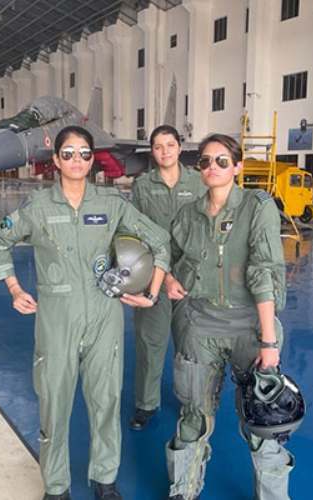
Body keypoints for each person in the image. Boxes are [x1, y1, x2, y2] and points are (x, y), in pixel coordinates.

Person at [0, 126, 170, 500]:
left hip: (105, 318)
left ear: (92, 159)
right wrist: (14, 288)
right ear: (55, 160)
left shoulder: (111, 204)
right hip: (57, 323)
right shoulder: (37, 208)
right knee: (54, 405)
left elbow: (159, 240)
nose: (77, 160)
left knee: (106, 401)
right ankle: (56, 486)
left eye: (84, 153)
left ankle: (105, 478)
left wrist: (151, 291)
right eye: (68, 153)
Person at [164, 134, 294, 500]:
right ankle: (183, 491)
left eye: (222, 161)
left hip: (249, 330)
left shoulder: (258, 206)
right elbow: (170, 257)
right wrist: (169, 279)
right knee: (193, 418)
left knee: (263, 424)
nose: (212, 168)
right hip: (199, 328)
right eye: (205, 161)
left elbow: (263, 271)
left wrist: (269, 342)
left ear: (237, 166)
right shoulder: (187, 215)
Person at [128, 125, 207, 430]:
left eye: (170, 145)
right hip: (154, 278)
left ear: (179, 147)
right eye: (158, 146)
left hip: (193, 279)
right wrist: (166, 276)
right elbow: (136, 233)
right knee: (151, 342)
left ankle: (193, 403)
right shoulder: (143, 186)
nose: (164, 151)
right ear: (152, 151)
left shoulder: (198, 183)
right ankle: (146, 404)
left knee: (193, 346)